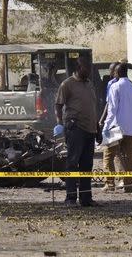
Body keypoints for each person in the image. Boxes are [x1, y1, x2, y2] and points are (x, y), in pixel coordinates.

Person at [54, 56, 100, 207]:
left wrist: (98, 128)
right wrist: (60, 123)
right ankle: (70, 198)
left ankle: (86, 198)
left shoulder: (89, 84)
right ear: (78, 69)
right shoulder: (67, 84)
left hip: (90, 129)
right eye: (86, 69)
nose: (89, 71)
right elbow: (58, 105)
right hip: (75, 128)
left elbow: (92, 107)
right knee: (73, 163)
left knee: (87, 165)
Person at [103, 63, 132, 193]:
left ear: (117, 73)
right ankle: (128, 186)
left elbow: (112, 110)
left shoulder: (115, 87)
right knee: (129, 156)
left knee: (108, 155)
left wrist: (105, 127)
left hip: (117, 127)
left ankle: (110, 184)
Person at [99, 62, 121, 192]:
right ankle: (123, 181)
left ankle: (110, 183)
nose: (110, 72)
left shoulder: (112, 84)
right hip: (124, 124)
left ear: (114, 71)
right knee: (119, 154)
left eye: (111, 70)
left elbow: (109, 106)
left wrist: (102, 121)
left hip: (112, 124)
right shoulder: (129, 85)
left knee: (107, 155)